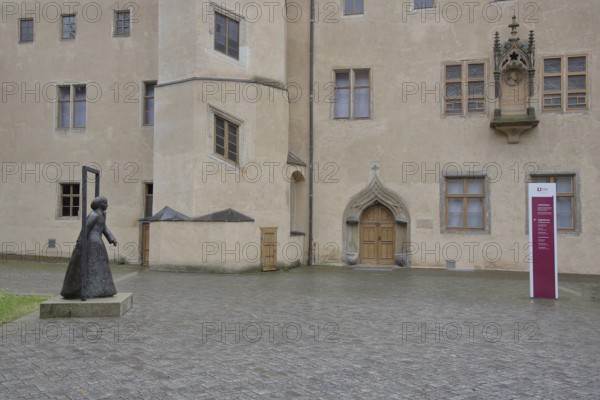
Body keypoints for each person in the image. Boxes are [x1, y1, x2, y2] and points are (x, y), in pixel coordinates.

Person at [61, 196, 118, 299]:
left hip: (98, 242)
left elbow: (104, 228)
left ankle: (102, 289)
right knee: (92, 266)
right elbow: (86, 228)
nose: (107, 205)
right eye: (105, 203)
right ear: (100, 204)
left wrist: (111, 238)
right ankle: (90, 290)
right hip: (91, 242)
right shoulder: (94, 214)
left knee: (101, 266)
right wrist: (80, 241)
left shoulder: (102, 214)